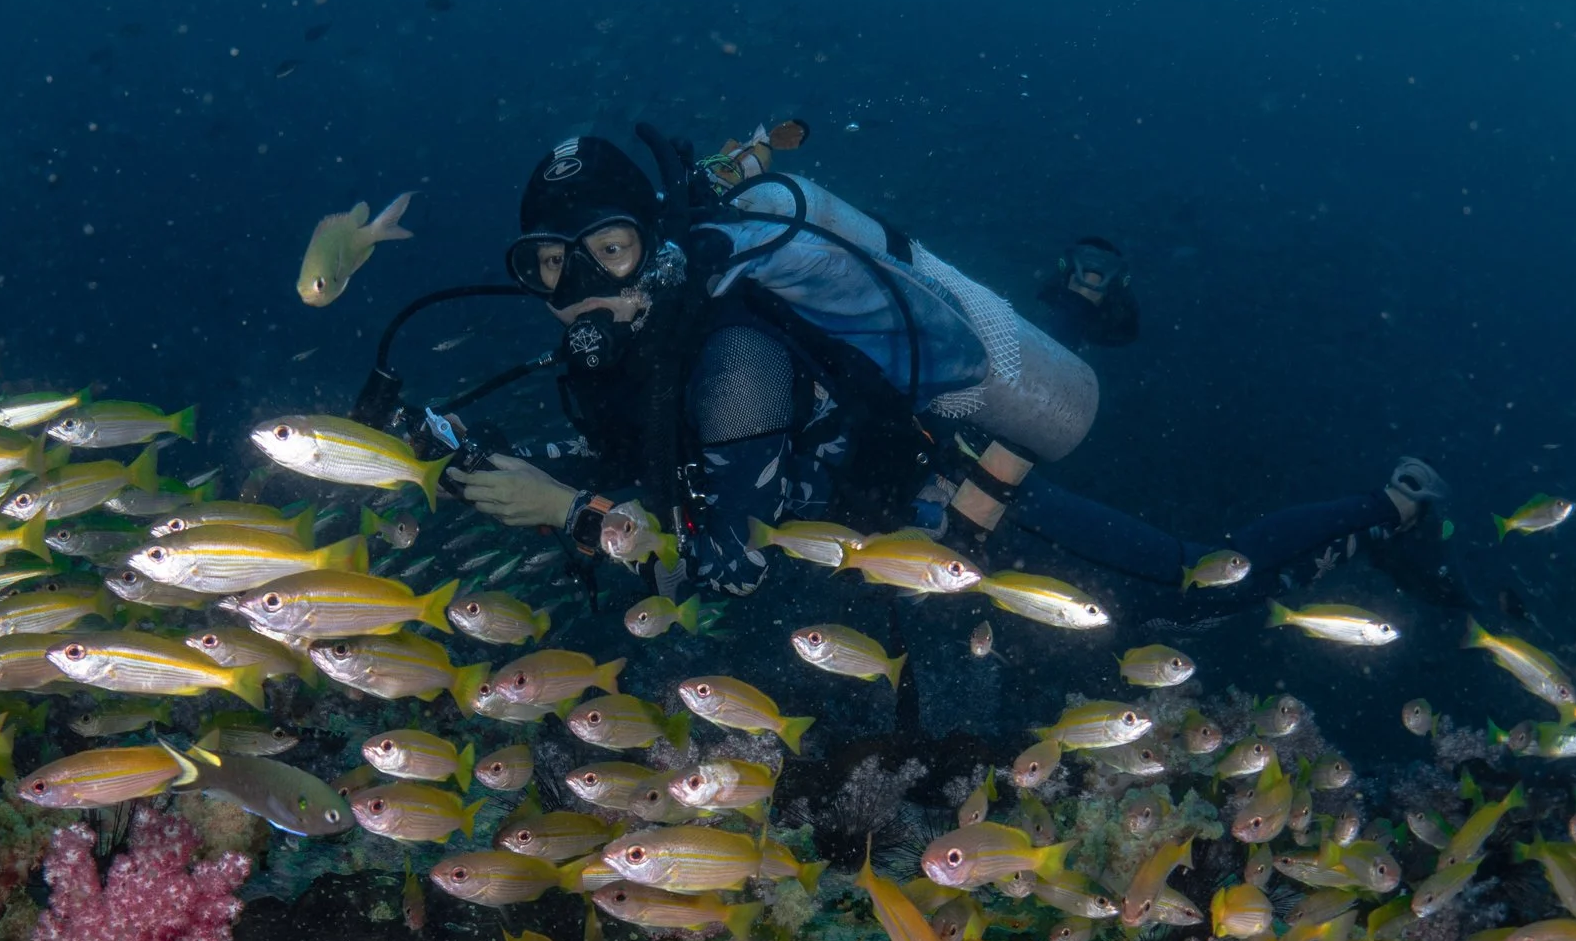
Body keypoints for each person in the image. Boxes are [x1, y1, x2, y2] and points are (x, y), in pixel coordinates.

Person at [437, 130, 1449, 614]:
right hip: (877, 461)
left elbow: (730, 567)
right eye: (547, 264)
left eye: (606, 251)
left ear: (657, 244)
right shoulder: (629, 350)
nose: (576, 290)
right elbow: (637, 457)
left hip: (952, 497)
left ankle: (1393, 507)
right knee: (1010, 331)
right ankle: (1074, 302)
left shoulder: (733, 360)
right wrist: (505, 464)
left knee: (1202, 583)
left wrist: (567, 514)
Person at [1034, 236, 1139, 352]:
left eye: (1093, 291)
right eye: (1078, 284)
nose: (1083, 294)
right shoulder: (1039, 300)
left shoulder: (1118, 330)